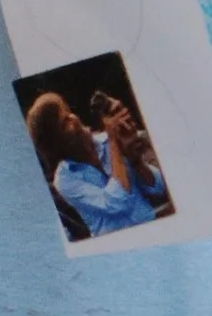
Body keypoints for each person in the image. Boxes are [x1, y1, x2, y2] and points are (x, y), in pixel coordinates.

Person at [24, 87, 169, 236]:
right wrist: (113, 141)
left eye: (68, 112)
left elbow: (158, 187)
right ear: (55, 143)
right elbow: (114, 204)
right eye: (65, 122)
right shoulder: (65, 180)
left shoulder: (108, 141)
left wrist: (136, 161)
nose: (73, 118)